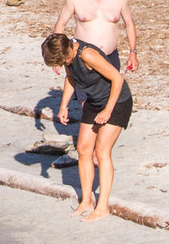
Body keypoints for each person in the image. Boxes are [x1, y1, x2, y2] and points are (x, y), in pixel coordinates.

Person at [42, 29, 131, 222]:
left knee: (102, 151)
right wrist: (63, 106)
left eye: (62, 61)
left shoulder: (87, 54)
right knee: (83, 148)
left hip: (117, 102)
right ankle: (87, 201)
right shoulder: (68, 57)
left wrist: (107, 110)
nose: (63, 65)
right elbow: (71, 78)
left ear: (68, 51)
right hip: (94, 101)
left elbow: (117, 78)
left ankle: (103, 207)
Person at [50, 0, 137, 74]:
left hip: (110, 57)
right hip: (82, 58)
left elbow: (129, 24)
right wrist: (57, 55)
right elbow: (61, 23)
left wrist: (133, 52)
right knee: (77, 86)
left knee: (114, 85)